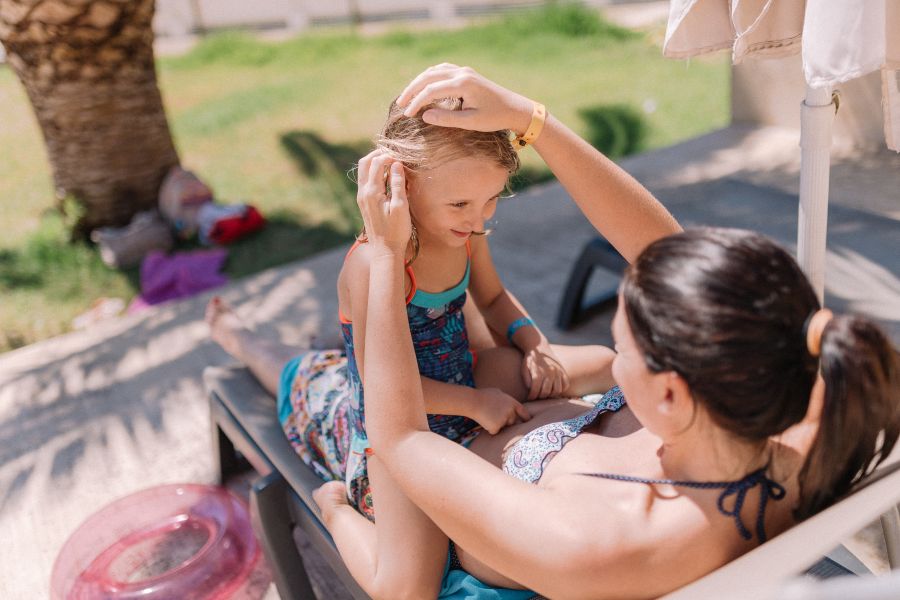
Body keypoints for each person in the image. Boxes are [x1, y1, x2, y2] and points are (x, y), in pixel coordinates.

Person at [307, 64, 900, 599]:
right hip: (473, 394)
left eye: (625, 351)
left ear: (670, 392)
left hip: (406, 435)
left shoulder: (593, 542)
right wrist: (529, 120)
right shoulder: (789, 410)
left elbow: (399, 436)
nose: (614, 361)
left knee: (306, 384)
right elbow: (664, 252)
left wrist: (386, 253)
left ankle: (271, 369)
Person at [207, 94, 616, 523]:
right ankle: (241, 337)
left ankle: (331, 344)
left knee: (603, 363)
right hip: (397, 420)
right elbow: (385, 388)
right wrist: (477, 404)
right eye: (460, 204)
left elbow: (492, 298)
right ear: (403, 182)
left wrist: (534, 343)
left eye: (491, 199)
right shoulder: (377, 264)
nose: (478, 220)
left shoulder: (466, 231)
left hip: (464, 376)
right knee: (301, 378)